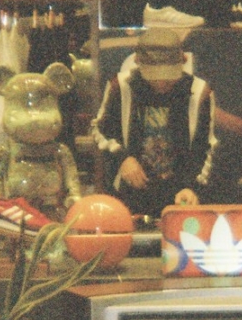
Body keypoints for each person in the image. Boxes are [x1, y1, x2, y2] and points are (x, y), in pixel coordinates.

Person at [90, 27, 218, 221]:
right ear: (137, 62)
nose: (161, 82)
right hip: (128, 197)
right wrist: (122, 158)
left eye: (168, 77)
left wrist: (192, 188)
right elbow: (100, 129)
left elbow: (207, 147)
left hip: (178, 198)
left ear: (183, 61)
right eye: (154, 76)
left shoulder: (199, 92)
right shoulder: (122, 86)